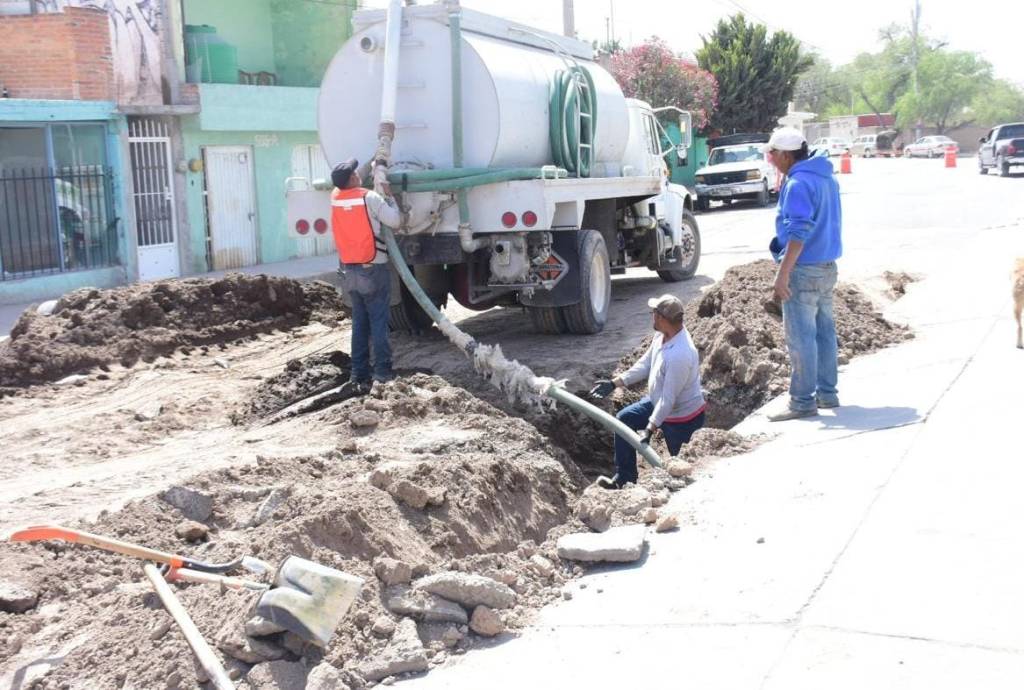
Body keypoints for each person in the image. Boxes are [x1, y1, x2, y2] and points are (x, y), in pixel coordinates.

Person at [765, 127, 843, 421]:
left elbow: (798, 233)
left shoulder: (798, 183)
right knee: (824, 332)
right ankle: (827, 393)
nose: (771, 159)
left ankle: (802, 402)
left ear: (786, 155)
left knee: (801, 338)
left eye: (773, 154)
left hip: (804, 269)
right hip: (827, 267)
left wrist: (783, 274)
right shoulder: (826, 178)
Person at [589, 294, 706, 489]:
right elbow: (644, 365)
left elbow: (669, 400)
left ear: (661, 318)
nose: (651, 316)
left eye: (654, 313)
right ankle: (625, 477)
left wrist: (650, 428)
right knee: (624, 419)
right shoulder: (661, 336)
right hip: (658, 402)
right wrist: (615, 383)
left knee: (681, 471)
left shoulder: (681, 354)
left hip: (682, 418)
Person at [330, 158, 403, 388]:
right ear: (353, 178)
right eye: (354, 172)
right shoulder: (369, 198)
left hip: (349, 271)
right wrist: (389, 195)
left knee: (359, 324)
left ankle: (358, 373)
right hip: (373, 269)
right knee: (379, 322)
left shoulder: (335, 198)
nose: (357, 174)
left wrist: (372, 161)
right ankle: (382, 372)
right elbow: (395, 221)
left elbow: (344, 181)